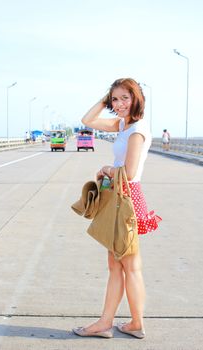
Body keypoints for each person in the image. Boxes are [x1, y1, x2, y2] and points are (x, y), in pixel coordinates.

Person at [73, 78, 162, 339]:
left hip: (127, 198)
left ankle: (129, 323)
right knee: (116, 264)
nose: (120, 103)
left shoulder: (137, 130)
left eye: (126, 97)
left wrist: (107, 169)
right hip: (119, 196)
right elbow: (87, 120)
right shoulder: (123, 124)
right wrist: (105, 100)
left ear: (137, 99)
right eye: (115, 99)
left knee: (130, 265)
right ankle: (115, 322)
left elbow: (130, 171)